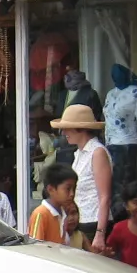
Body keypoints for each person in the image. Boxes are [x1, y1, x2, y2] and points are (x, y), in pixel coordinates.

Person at [51, 103, 113, 253]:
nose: (64, 132)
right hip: (80, 220)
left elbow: (104, 196)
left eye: (67, 128)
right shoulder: (79, 153)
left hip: (94, 222)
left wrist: (100, 233)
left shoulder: (97, 152)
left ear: (80, 129)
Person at [27, 164, 77, 246]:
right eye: (68, 189)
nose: (72, 194)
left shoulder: (63, 213)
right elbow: (35, 248)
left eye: (74, 189)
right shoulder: (40, 214)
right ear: (51, 189)